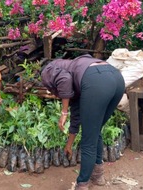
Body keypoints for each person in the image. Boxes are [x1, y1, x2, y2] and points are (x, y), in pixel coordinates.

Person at [41, 54, 125, 190]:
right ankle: (98, 175)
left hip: (97, 82)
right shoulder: (77, 75)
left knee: (88, 140)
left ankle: (82, 185)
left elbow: (64, 79)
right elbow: (76, 115)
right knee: (94, 130)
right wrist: (69, 144)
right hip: (116, 79)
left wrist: (63, 112)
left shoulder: (48, 70)